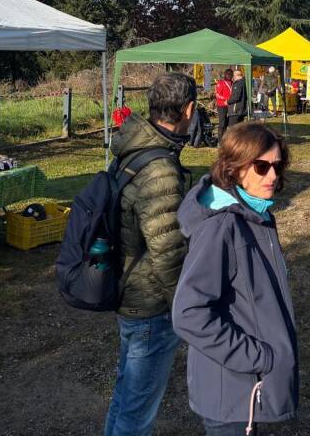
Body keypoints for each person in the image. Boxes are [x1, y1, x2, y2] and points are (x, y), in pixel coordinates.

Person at [173, 123, 298, 435]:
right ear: (234, 167)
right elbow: (189, 313)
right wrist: (259, 357)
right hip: (234, 395)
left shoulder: (257, 215)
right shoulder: (223, 227)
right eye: (261, 166)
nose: (272, 176)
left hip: (248, 391)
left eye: (277, 165)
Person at [104, 72, 196, 436]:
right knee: (137, 410)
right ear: (188, 109)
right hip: (151, 306)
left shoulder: (135, 147)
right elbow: (168, 251)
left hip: (129, 288)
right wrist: (186, 309)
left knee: (126, 395)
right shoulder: (160, 169)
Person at [215, 69, 233, 140]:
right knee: (222, 123)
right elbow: (217, 95)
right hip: (221, 106)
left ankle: (224, 138)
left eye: (231, 74)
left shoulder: (233, 83)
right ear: (225, 75)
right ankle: (220, 140)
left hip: (230, 105)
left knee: (227, 122)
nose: (229, 76)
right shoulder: (221, 83)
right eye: (228, 74)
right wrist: (226, 99)